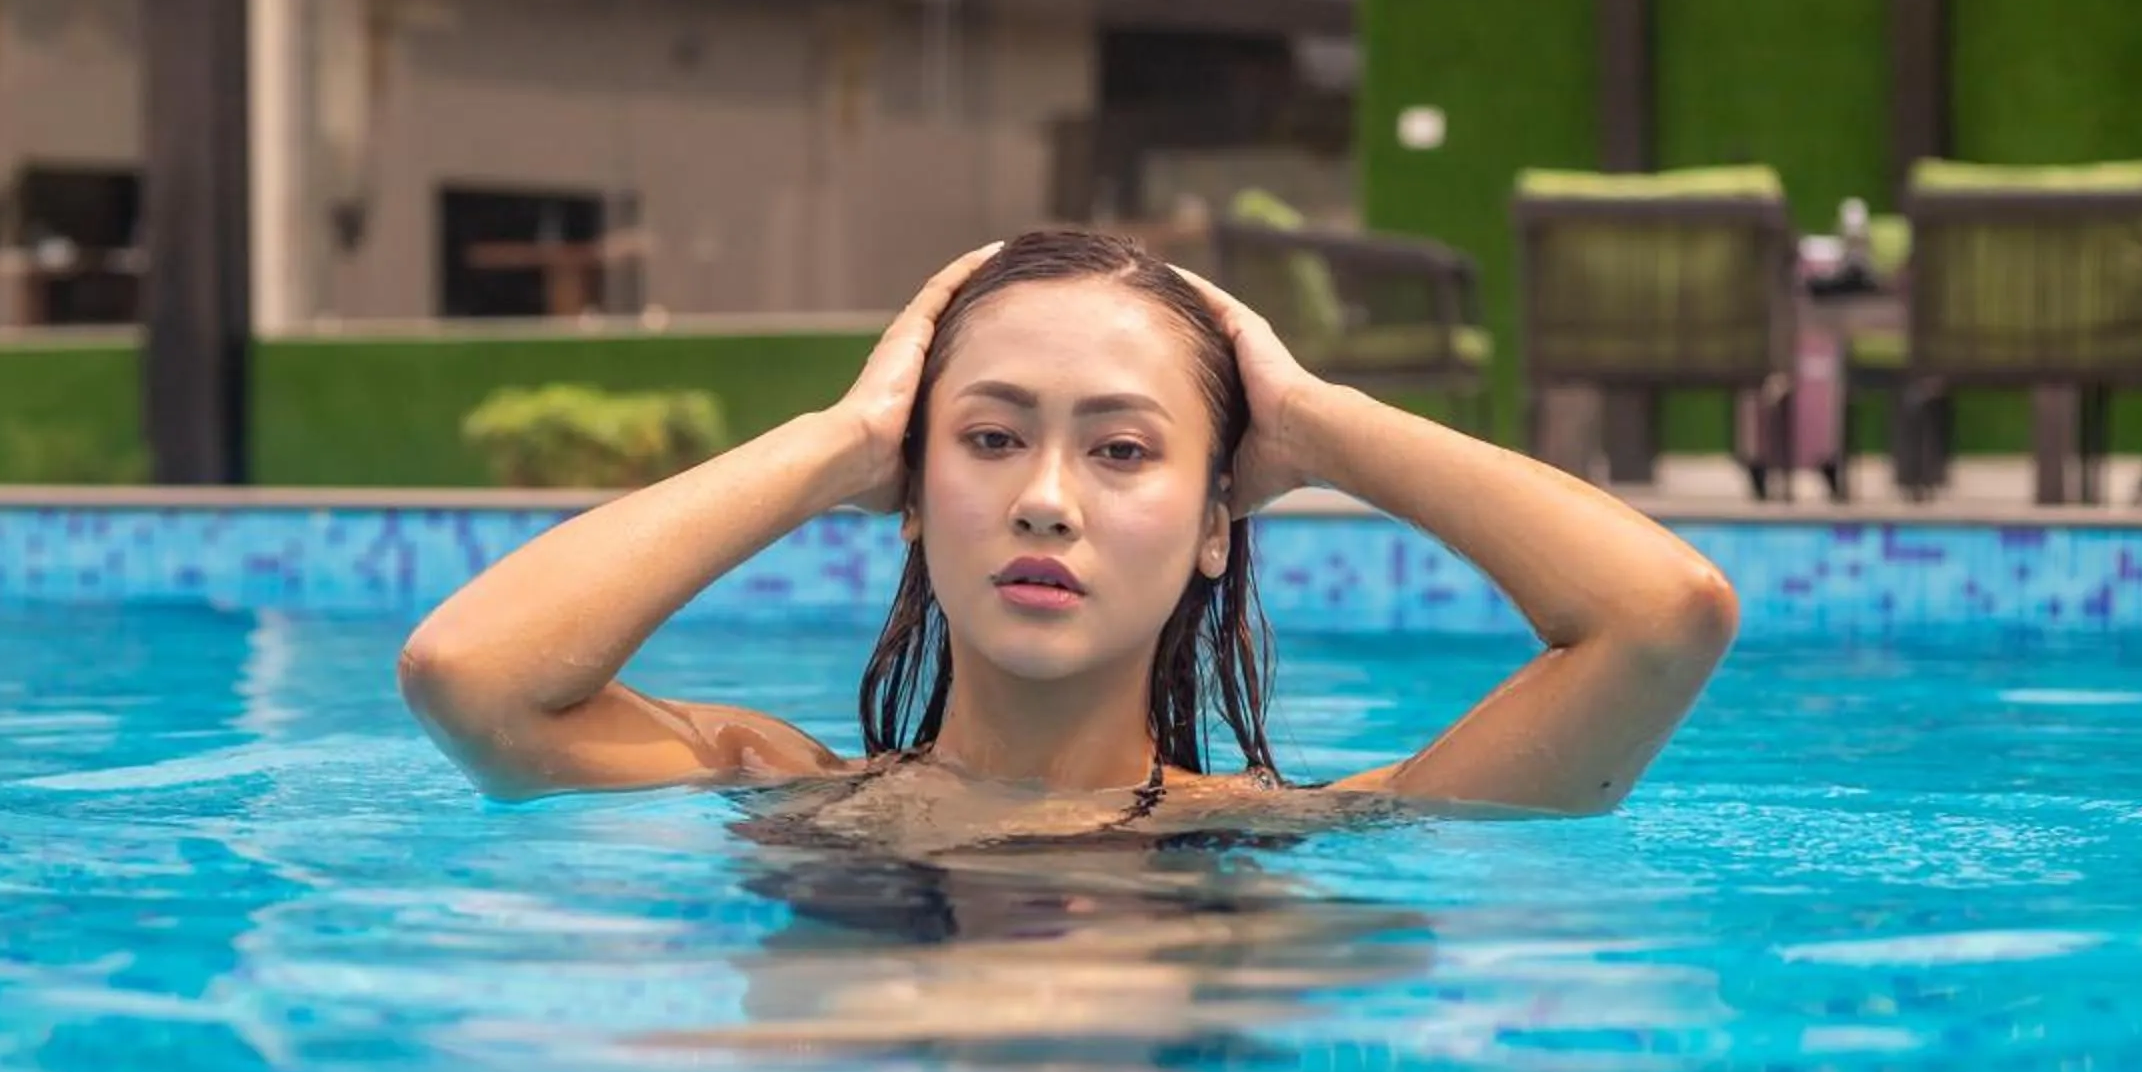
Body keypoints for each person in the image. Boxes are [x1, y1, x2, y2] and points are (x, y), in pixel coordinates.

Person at [399, 227, 1737, 833]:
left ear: (1216, 523)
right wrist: (843, 442)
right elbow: (471, 677)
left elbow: (1662, 618)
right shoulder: (779, 787)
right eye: (989, 439)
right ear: (914, 495)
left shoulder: (1286, 839)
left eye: (1123, 451)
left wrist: (1314, 421)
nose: (1046, 496)